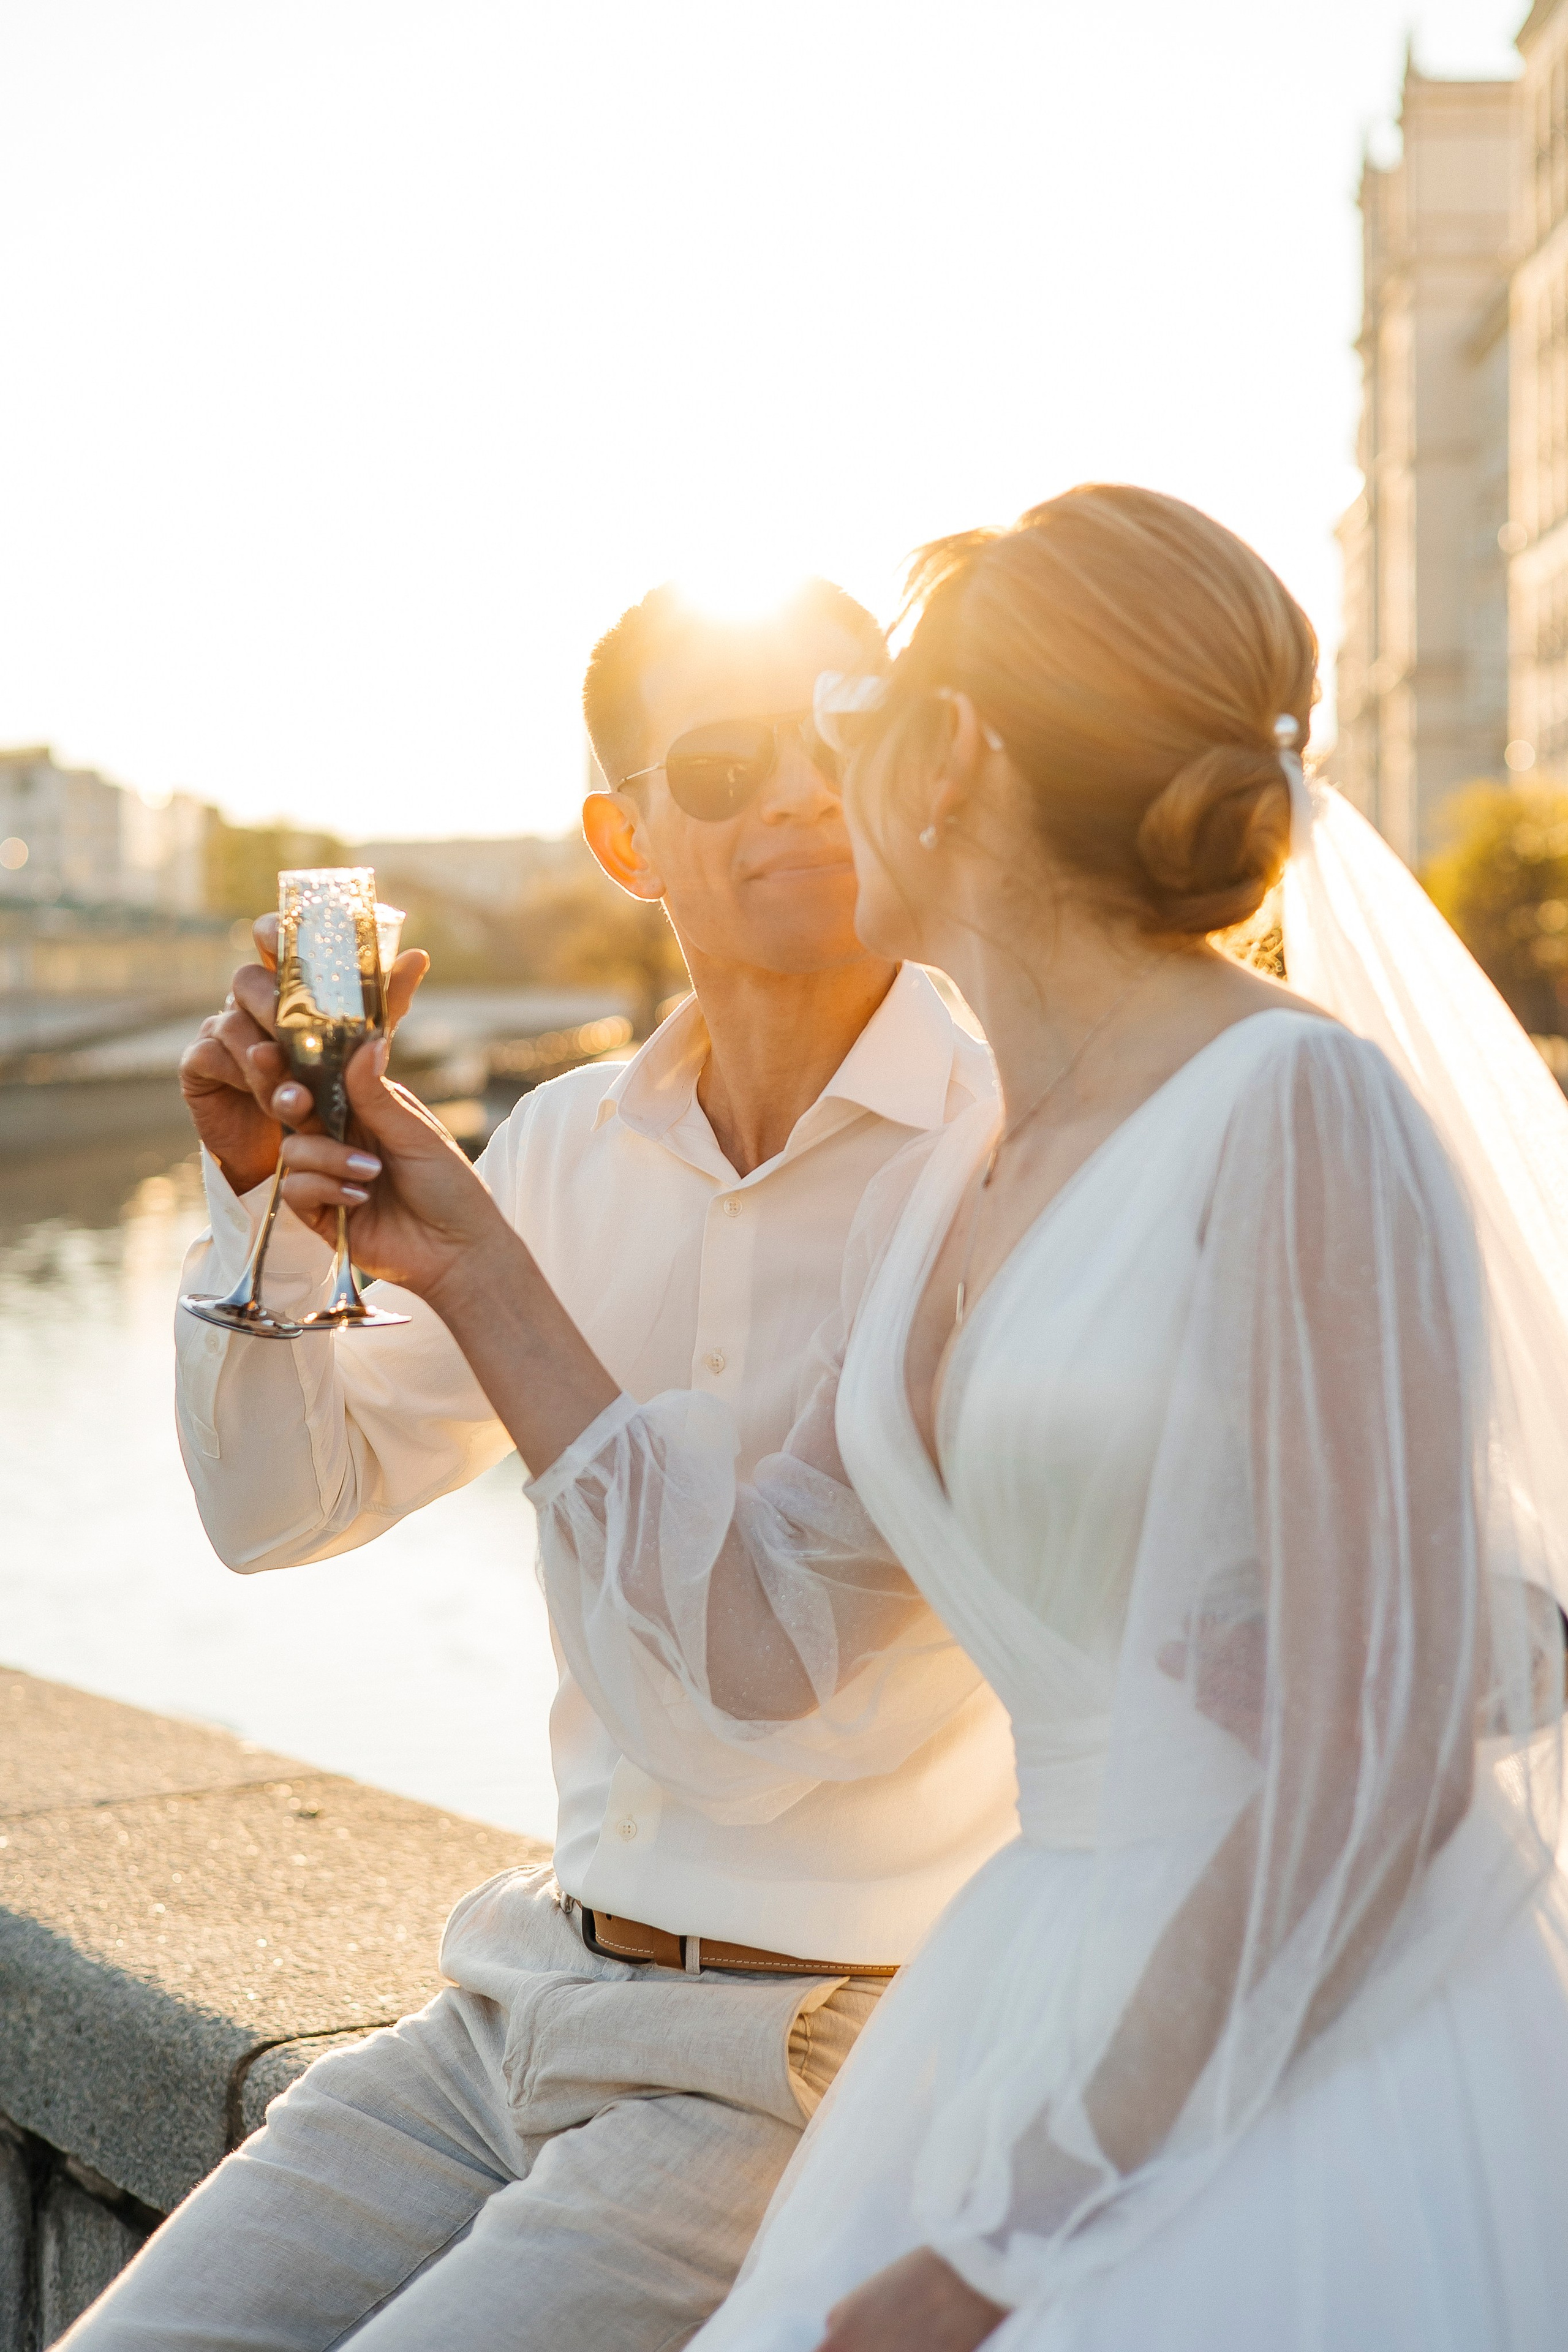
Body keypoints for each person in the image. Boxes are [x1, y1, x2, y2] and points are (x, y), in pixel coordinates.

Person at [233, 485, 1568, 2352]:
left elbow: (1398, 1747)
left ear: (946, 761)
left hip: (1256, 2059)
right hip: (1018, 2003)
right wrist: (463, 1259)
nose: (806, 778)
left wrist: (1014, 2239)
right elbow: (758, 1644)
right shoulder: (980, 1175)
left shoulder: (1300, 1112)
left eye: (851, 716)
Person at [61, 578, 1017, 2352]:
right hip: (520, 1996)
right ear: (626, 840)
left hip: (803, 2060)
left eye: (839, 739)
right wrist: (268, 1211)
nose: (803, 793)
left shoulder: (995, 1151)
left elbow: (759, 1701)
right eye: (730, 763)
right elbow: (280, 1515)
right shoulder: (568, 1143)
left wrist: (481, 1268)